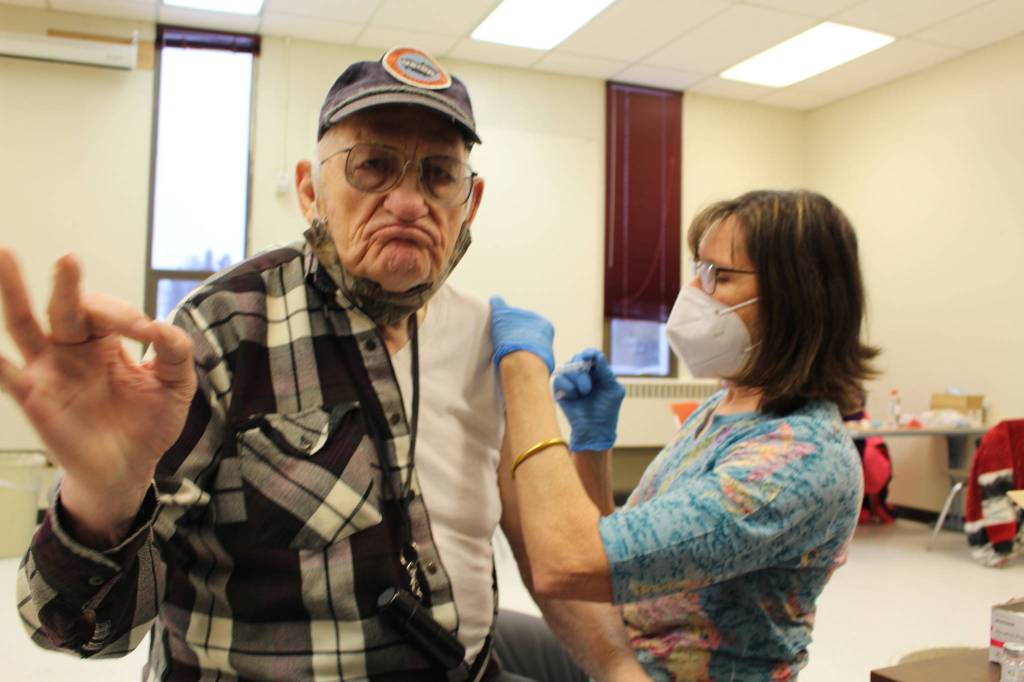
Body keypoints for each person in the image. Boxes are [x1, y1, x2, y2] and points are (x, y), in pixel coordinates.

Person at [0, 47, 646, 681]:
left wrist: (619, 670)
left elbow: (546, 556)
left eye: (438, 176)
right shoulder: (225, 330)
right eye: (374, 166)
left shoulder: (488, 337)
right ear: (310, 189)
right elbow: (77, 631)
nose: (409, 201)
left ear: (468, 205)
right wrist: (102, 500)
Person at [489, 189, 879, 681]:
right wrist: (592, 447)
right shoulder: (725, 406)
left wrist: (524, 379)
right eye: (699, 268)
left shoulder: (801, 460)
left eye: (718, 275)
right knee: (467, 632)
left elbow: (568, 562)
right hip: (625, 648)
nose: (693, 289)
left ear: (793, 297)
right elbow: (614, 556)